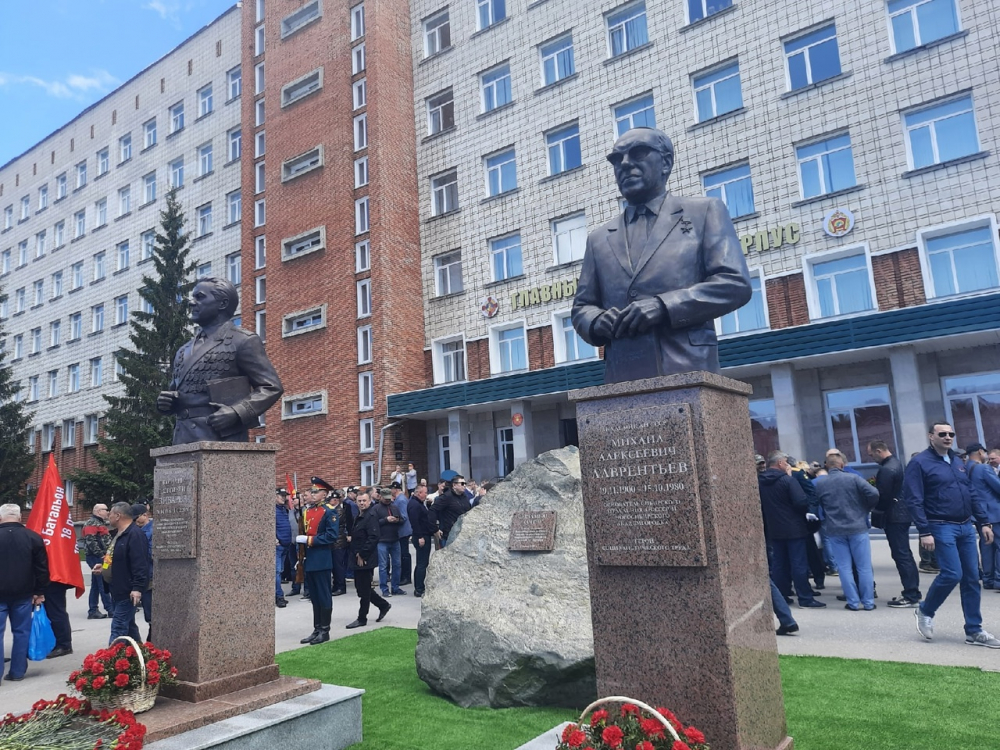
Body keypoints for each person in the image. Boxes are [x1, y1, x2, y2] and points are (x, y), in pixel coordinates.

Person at [571, 127, 751, 384]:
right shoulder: (598, 238)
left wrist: (663, 306)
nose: (625, 164)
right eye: (616, 159)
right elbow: (582, 307)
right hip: (622, 373)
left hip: (688, 368)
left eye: (638, 153)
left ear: (665, 162)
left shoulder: (704, 212)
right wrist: (596, 320)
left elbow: (734, 283)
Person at [903, 422, 1000, 647]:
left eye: (951, 434)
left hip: (966, 526)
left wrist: (984, 522)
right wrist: (924, 531)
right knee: (952, 573)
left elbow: (971, 493)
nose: (948, 437)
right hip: (940, 525)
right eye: (942, 434)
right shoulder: (919, 463)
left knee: (971, 578)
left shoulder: (957, 461)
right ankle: (925, 610)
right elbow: (913, 499)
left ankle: (974, 630)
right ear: (931, 436)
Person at [156, 277, 283, 444]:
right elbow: (176, 391)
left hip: (219, 436)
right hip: (182, 438)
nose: (191, 303)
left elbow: (271, 387)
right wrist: (167, 403)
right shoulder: (183, 349)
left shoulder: (242, 340)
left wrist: (237, 412)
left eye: (200, 297)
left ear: (222, 303)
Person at [758, 452, 825, 609]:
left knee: (779, 564)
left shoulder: (760, 481)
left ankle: (782, 596)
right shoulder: (787, 480)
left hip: (774, 528)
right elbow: (801, 502)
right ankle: (805, 597)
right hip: (794, 528)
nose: (789, 465)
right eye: (786, 462)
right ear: (780, 463)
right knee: (798, 563)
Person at [814, 452, 880, 611]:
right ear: (842, 465)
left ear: (827, 466)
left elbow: (816, 502)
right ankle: (868, 602)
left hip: (835, 528)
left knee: (844, 568)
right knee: (863, 567)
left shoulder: (820, 483)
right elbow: (874, 493)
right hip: (857, 526)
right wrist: (865, 508)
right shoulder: (854, 478)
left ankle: (853, 602)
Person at [868, 440, 921, 607]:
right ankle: (912, 592)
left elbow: (883, 495)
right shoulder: (896, 464)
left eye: (871, 454)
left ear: (879, 451)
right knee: (904, 554)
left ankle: (911, 594)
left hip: (894, 515)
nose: (871, 458)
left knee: (901, 555)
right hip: (901, 513)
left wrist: (875, 509)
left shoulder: (887, 469)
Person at [0, 503, 49, 684]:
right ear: (20, 517)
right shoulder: (33, 537)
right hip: (24, 593)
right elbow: (42, 568)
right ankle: (17, 671)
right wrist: (40, 591)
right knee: (21, 632)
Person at [93, 502, 148, 644]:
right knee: (129, 628)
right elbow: (117, 558)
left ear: (118, 516)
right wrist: (104, 568)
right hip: (116, 589)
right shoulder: (119, 534)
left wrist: (137, 588)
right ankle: (139, 654)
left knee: (118, 628)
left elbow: (140, 564)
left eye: (110, 513)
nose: (108, 516)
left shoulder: (134, 535)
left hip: (127, 591)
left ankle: (111, 656)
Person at [295, 478, 340, 645]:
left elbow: (331, 536)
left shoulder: (329, 512)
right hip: (310, 559)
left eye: (316, 492)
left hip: (322, 558)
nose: (312, 495)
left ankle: (325, 630)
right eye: (312, 492)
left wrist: (309, 540)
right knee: (314, 596)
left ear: (324, 494)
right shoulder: (308, 511)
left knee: (323, 595)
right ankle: (317, 628)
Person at [346, 492, 391, 629]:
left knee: (364, 590)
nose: (362, 503)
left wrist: (363, 554)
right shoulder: (360, 515)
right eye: (359, 501)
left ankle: (362, 618)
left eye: (364, 501)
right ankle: (383, 605)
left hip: (365, 558)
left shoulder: (370, 516)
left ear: (370, 501)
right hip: (357, 556)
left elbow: (373, 537)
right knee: (361, 588)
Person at [964, 443, 1000, 591]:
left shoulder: (964, 468)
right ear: (980, 451)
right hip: (993, 513)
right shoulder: (983, 468)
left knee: (986, 546)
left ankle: (988, 579)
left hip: (977, 514)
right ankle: (999, 579)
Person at [82, 503, 113, 619]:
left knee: (96, 584)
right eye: (106, 510)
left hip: (98, 557)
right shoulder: (92, 523)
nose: (108, 512)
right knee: (102, 582)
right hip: (96, 557)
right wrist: (101, 555)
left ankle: (93, 610)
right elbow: (91, 542)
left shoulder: (99, 523)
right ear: (99, 511)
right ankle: (110, 609)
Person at [375, 488, 405, 597]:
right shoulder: (376, 509)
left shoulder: (394, 507)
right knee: (383, 566)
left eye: (389, 499)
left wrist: (397, 520)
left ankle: (395, 587)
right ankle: (384, 589)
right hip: (382, 540)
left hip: (395, 539)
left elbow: (402, 520)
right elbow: (373, 524)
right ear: (381, 497)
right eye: (385, 499)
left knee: (397, 564)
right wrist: (386, 520)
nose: (387, 500)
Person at [131, 503, 154, 641]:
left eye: (136, 517)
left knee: (151, 613)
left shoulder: (151, 530)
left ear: (145, 515)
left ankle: (151, 641)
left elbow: (151, 554)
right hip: (142, 576)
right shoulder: (138, 530)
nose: (135, 521)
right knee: (147, 612)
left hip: (149, 576)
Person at [407, 484, 434, 597]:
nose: (426, 495)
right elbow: (415, 522)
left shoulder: (419, 503)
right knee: (422, 563)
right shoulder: (414, 505)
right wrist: (420, 537)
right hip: (421, 535)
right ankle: (419, 588)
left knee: (422, 563)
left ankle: (420, 586)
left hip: (424, 534)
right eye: (425, 492)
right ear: (419, 493)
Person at [433, 476, 471, 546]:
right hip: (449, 534)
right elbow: (433, 510)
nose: (464, 485)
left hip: (462, 533)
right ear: (454, 485)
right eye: (462, 483)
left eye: (465, 483)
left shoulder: (464, 497)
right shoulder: (446, 496)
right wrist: (435, 529)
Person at [330, 490, 352, 597]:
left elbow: (333, 523)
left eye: (333, 500)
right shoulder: (332, 510)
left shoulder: (339, 511)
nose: (331, 502)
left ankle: (341, 587)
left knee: (338, 566)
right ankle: (336, 585)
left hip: (338, 541)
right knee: (334, 566)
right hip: (334, 542)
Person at [391, 482, 413, 587]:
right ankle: (403, 576)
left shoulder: (401, 500)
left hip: (403, 531)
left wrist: (394, 519)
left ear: (395, 489)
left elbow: (403, 516)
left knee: (404, 554)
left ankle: (405, 577)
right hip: (400, 531)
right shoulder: (399, 499)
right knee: (402, 554)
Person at [275, 488, 292, 608]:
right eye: (281, 495)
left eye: (285, 496)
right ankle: (279, 596)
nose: (284, 498)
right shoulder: (272, 510)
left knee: (279, 571)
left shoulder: (284, 509)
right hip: (278, 545)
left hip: (285, 545)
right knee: (277, 572)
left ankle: (278, 595)